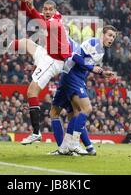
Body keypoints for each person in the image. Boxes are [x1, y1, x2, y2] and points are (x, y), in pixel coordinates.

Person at [0, 0, 72, 145]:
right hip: (47, 53)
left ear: (55, 10)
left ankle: (36, 133)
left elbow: (36, 18)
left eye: (50, 9)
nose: (47, 11)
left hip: (54, 61)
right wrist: (25, 3)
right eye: (45, 9)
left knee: (31, 92)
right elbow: (31, 13)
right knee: (24, 42)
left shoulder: (55, 22)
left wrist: (32, 7)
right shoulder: (53, 17)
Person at [50, 26, 117, 156]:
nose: (111, 39)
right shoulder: (93, 42)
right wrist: (92, 68)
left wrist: (101, 72)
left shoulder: (101, 50)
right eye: (109, 35)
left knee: (67, 112)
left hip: (73, 77)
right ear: (102, 34)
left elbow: (88, 65)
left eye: (113, 37)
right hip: (73, 76)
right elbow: (75, 57)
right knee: (86, 109)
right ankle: (75, 143)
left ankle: (64, 147)